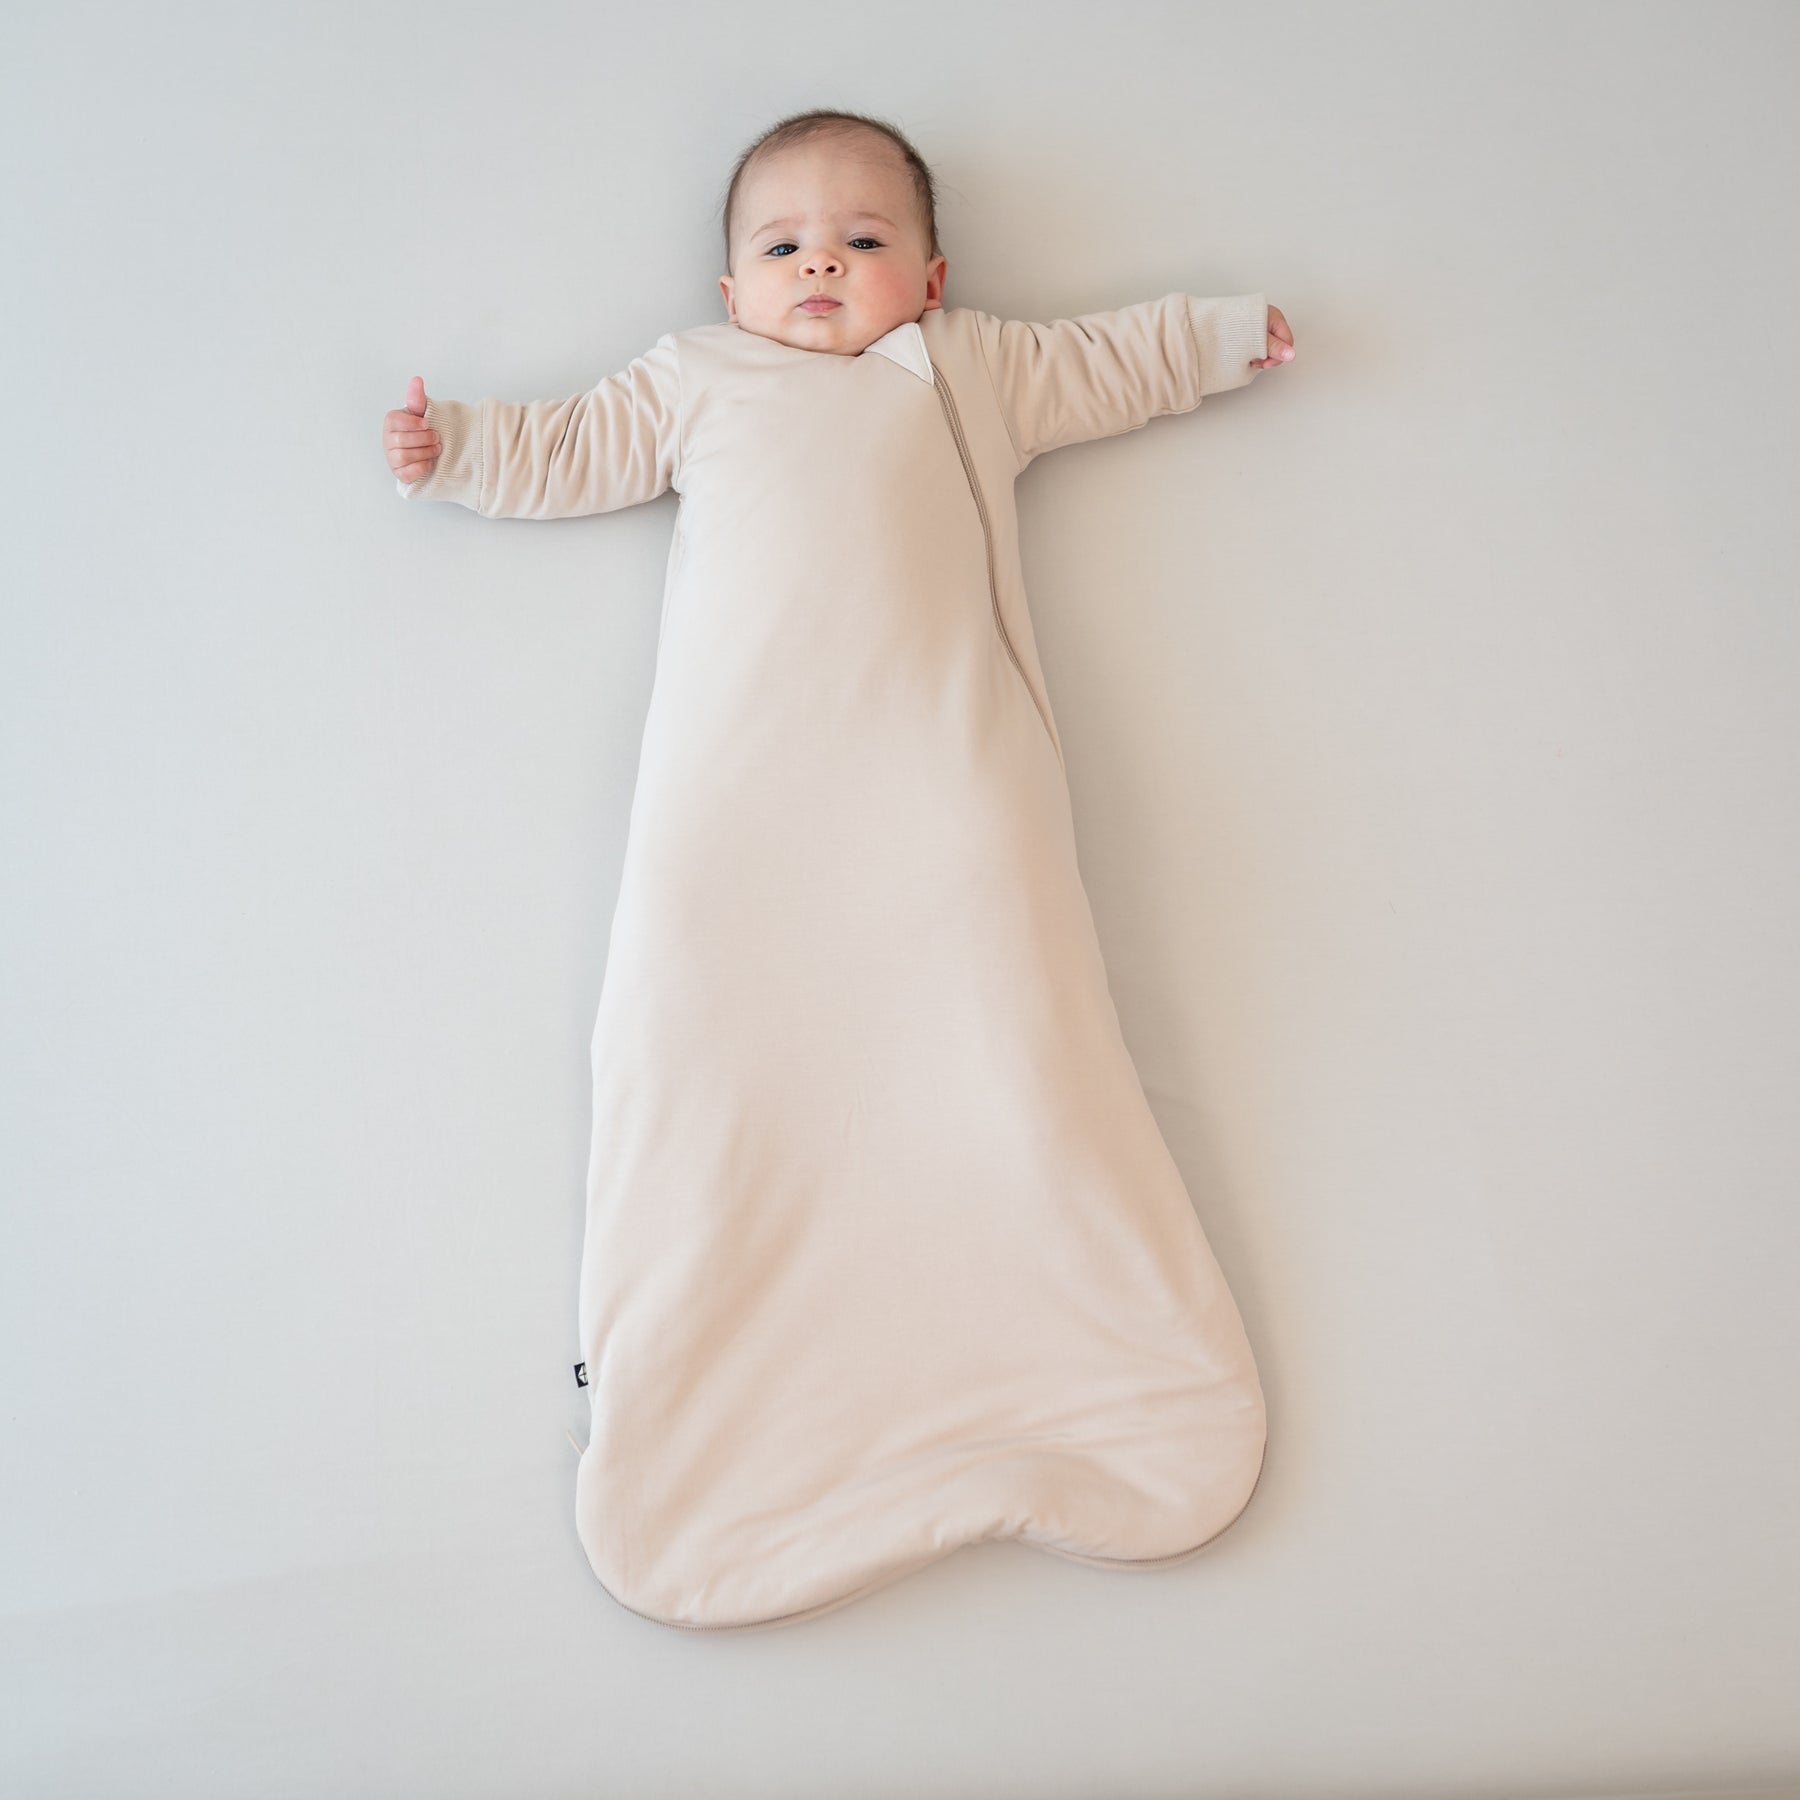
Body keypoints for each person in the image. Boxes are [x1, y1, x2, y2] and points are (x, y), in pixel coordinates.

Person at [382, 107, 1296, 1634]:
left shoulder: (969, 373)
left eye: (864, 242)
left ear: (929, 278)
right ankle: (718, 1408)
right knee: (693, 1026)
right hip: (735, 812)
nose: (823, 265)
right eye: (783, 245)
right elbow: (574, 447)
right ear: (732, 290)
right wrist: (458, 447)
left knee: (1009, 1015)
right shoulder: (699, 380)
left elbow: (1107, 363)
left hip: (948, 793)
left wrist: (1213, 339)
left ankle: (1066, 1365)